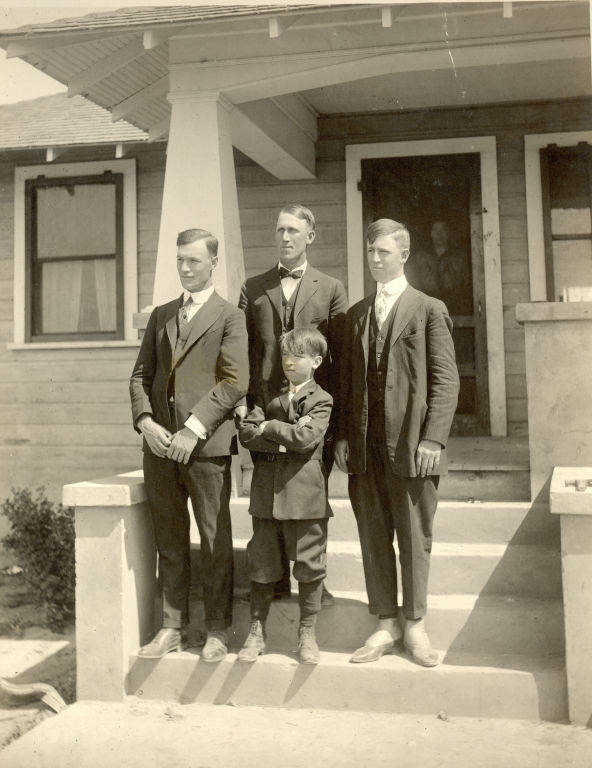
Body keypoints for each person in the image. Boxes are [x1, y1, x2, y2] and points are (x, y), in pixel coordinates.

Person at [334, 218, 459, 667]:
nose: (375, 259)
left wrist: (433, 439)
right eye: (370, 252)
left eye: (383, 252)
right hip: (366, 450)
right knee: (372, 537)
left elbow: (446, 382)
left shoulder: (428, 309)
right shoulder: (356, 315)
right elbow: (348, 385)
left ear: (404, 255)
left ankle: (416, 626)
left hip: (412, 448)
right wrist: (345, 437)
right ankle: (385, 623)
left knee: (413, 538)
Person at [129, 228, 249, 662]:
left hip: (206, 448)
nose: (184, 268)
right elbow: (140, 375)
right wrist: (145, 421)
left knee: (215, 540)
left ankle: (217, 629)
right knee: (170, 539)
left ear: (212, 263)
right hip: (160, 449)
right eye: (180, 260)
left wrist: (193, 428)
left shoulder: (229, 316)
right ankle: (172, 626)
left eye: (194, 261)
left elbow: (235, 382)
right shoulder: (162, 315)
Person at [237, 203, 348, 603]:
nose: (285, 238)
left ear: (310, 236)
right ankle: (275, 580)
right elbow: (241, 352)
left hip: (314, 412)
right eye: (280, 230)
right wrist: (244, 404)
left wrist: (338, 424)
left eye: (293, 231)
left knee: (307, 494)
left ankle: (312, 580)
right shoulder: (253, 288)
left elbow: (339, 360)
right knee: (269, 494)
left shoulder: (331, 288)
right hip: (266, 408)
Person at [237, 328, 333, 665]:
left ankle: (307, 631)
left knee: (309, 565)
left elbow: (307, 439)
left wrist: (270, 428)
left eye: (300, 356)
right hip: (267, 496)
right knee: (261, 564)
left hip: (305, 498)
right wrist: (280, 432)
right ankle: (256, 630)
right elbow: (247, 434)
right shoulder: (268, 397)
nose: (290, 362)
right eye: (287, 356)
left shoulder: (322, 400)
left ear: (317, 362)